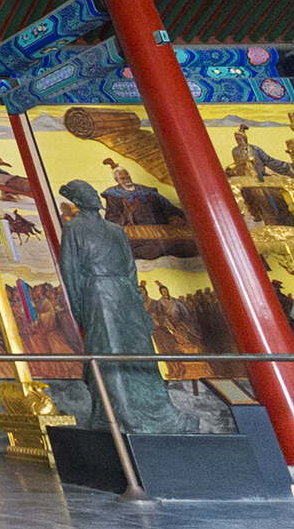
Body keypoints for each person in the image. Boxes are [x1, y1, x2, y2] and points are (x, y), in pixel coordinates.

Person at [56, 181, 193, 432]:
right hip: (97, 292)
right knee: (110, 348)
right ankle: (120, 411)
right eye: (86, 193)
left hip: (124, 292)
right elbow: (70, 269)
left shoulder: (116, 230)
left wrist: (135, 298)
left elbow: (130, 267)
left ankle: (158, 410)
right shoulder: (74, 228)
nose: (94, 197)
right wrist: (79, 307)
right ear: (79, 200)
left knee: (139, 348)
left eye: (93, 192)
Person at [98, 160, 184, 226]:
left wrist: (173, 217)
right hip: (134, 234)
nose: (127, 181)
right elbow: (112, 219)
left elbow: (168, 207)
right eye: (122, 178)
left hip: (159, 230)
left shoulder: (147, 192)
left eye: (128, 177)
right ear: (117, 180)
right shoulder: (113, 195)